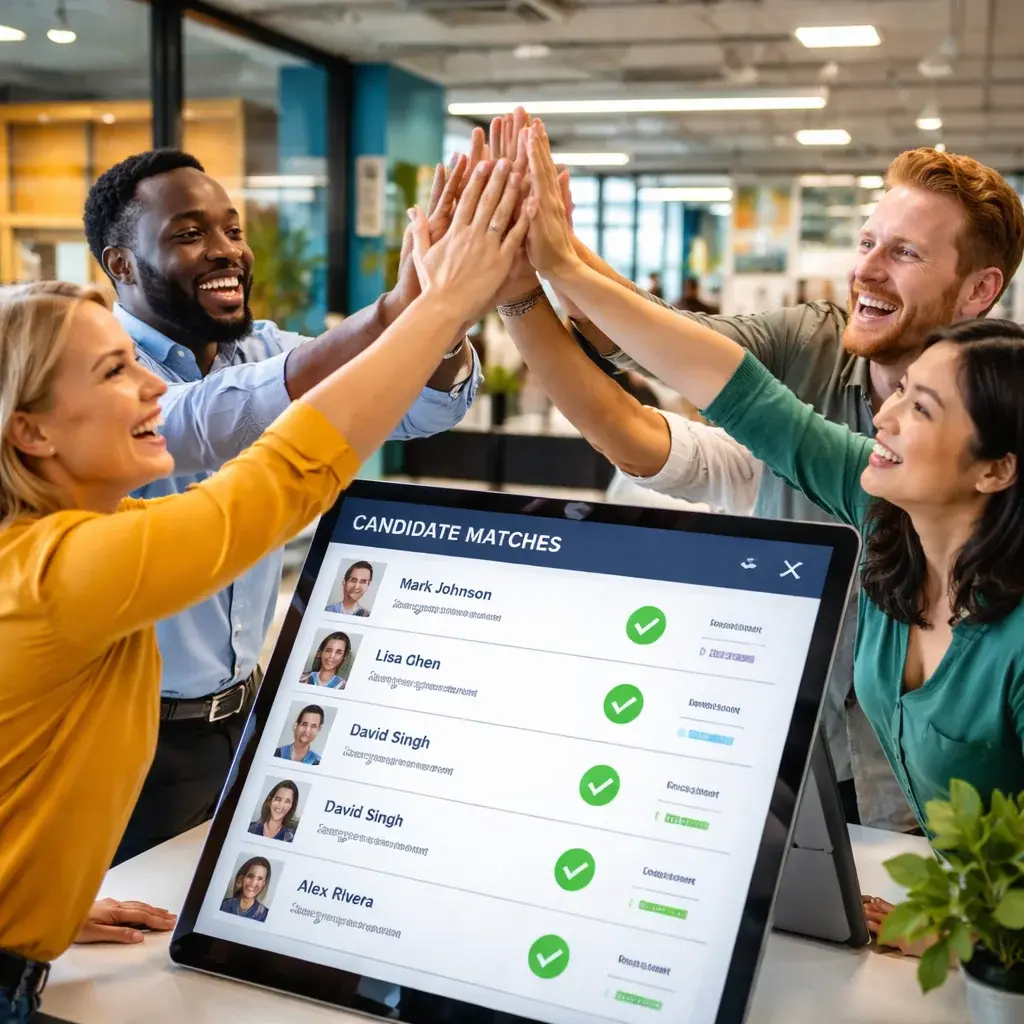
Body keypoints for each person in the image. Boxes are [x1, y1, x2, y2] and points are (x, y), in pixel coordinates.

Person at [0, 155, 531, 1022]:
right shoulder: (70, 566)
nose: (149, 390)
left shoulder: (47, 551)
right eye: (113, 373)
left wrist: (30, 905)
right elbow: (278, 473)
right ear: (28, 430)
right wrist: (432, 302)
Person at [520, 120, 1024, 948]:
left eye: (905, 252)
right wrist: (538, 271)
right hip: (807, 777)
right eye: (869, 242)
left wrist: (965, 925)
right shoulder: (875, 493)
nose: (883, 416)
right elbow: (725, 389)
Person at [83, 148, 487, 866]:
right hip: (130, 742)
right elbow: (204, 423)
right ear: (120, 265)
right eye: (188, 235)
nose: (226, 252)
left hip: (246, 718)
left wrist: (442, 328)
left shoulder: (261, 348)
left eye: (232, 230)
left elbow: (420, 407)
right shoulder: (99, 370)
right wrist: (407, 309)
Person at [220, 857, 272, 922]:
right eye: (250, 876)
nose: (253, 883)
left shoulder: (265, 914)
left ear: (263, 884)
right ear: (242, 878)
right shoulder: (224, 905)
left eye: (260, 879)